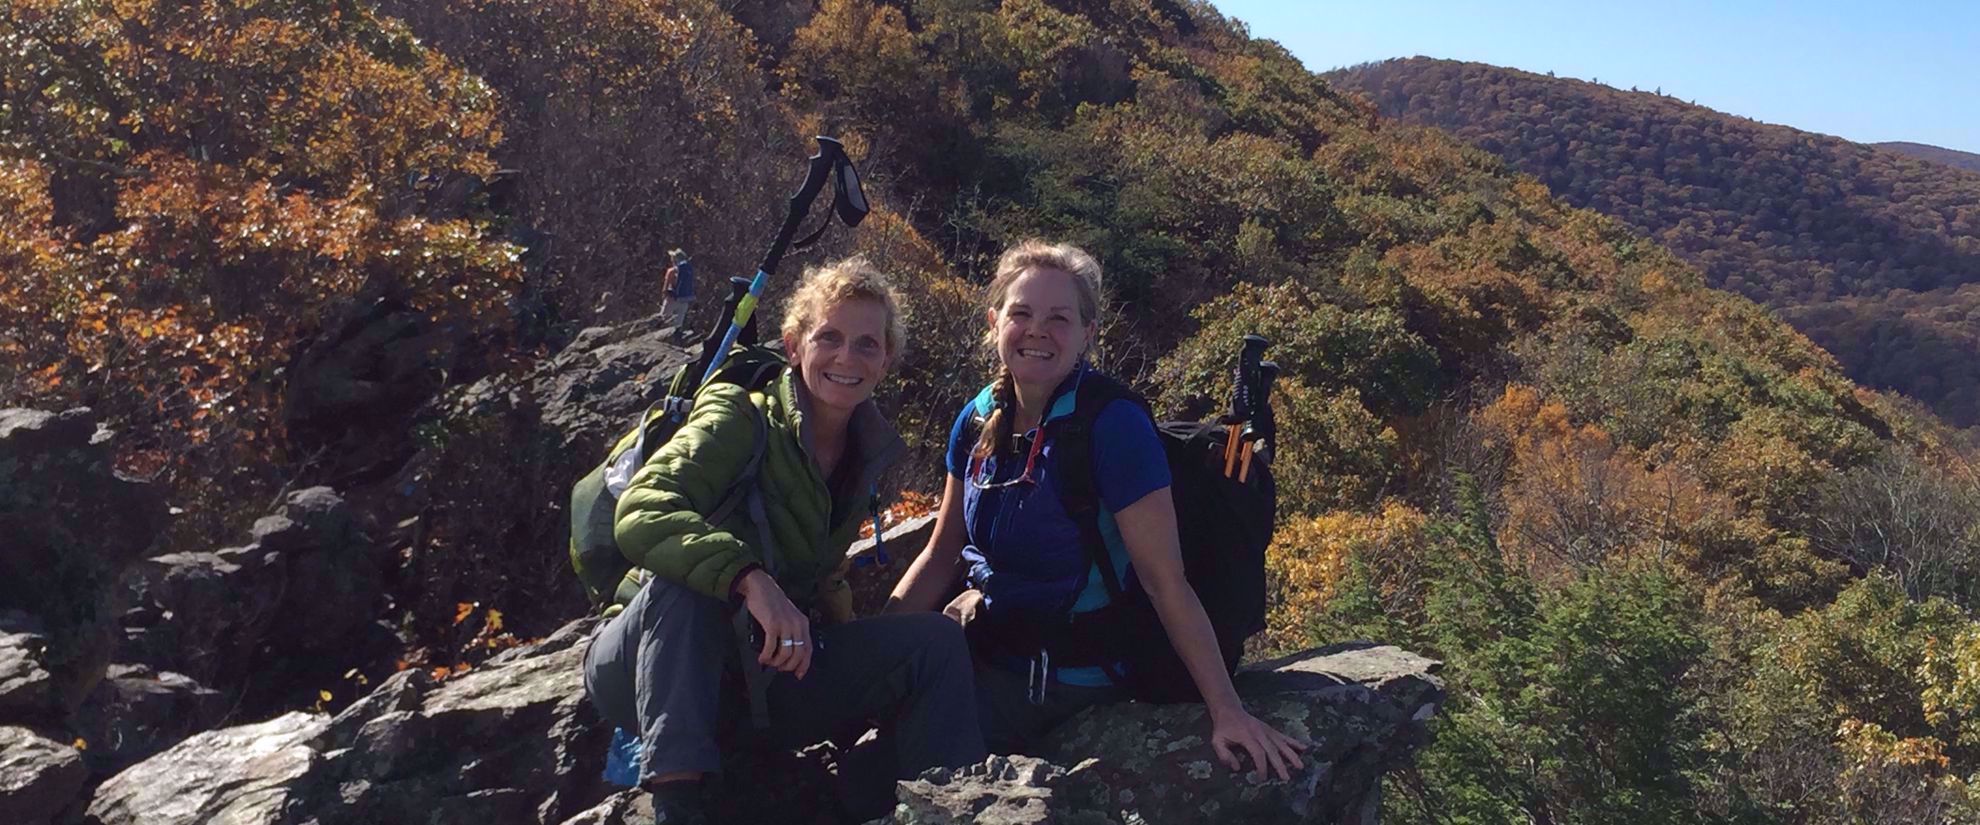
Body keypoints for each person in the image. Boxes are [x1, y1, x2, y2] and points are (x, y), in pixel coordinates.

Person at [885, 240, 1307, 781]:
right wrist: (882, 649)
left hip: (1065, 678)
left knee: (890, 782)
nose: (1037, 330)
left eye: (1059, 318)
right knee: (861, 762)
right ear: (994, 323)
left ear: (1088, 333)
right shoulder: (977, 417)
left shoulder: (1112, 426)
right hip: (989, 647)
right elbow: (942, 552)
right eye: (1021, 313)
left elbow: (1165, 582)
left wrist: (1227, 711)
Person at [584, 257, 986, 823]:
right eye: (830, 337)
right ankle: (676, 801)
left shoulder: (862, 451)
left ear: (886, 361)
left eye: (867, 344)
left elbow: (823, 580)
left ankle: (928, 808)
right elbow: (642, 510)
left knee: (934, 643)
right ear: (794, 346)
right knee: (692, 585)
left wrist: (848, 663)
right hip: (649, 666)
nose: (847, 357)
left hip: (754, 678)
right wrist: (752, 580)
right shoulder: (737, 416)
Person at [661, 248, 695, 338]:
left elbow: (666, 286)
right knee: (680, 318)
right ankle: (677, 334)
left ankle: (660, 335)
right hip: (685, 298)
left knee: (664, 317)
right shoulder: (688, 269)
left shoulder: (671, 271)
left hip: (672, 297)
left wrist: (665, 294)